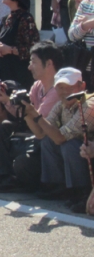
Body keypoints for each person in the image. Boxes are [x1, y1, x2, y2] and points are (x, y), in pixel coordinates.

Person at [0, 41, 62, 193]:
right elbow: (24, 113)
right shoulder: (37, 86)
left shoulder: (58, 90)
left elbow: (39, 125)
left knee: (22, 163)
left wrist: (26, 110)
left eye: (33, 62)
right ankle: (5, 177)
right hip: (33, 129)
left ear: (49, 63)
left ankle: (43, 183)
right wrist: (7, 100)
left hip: (48, 136)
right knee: (5, 126)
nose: (29, 67)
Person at [23, 67, 93, 210]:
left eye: (69, 86)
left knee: (69, 145)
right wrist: (26, 113)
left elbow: (61, 138)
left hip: (88, 153)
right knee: (48, 141)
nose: (64, 91)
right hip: (82, 152)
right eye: (60, 87)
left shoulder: (89, 105)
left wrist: (35, 115)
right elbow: (41, 133)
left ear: (82, 86)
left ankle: (82, 192)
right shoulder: (61, 104)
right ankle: (57, 187)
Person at [0, 0, 39, 87]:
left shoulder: (26, 19)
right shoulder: (7, 19)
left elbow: (33, 49)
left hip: (20, 74)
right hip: (4, 72)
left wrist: (10, 50)